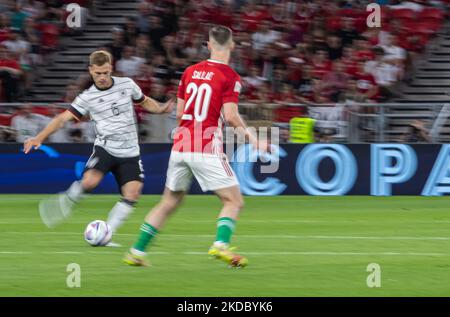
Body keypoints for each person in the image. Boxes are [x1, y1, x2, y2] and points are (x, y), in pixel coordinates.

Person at [123, 25, 270, 267]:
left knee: (169, 202)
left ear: (209, 45)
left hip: (181, 146)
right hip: (205, 146)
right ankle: (220, 245)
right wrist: (254, 140)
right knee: (233, 201)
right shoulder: (230, 77)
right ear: (232, 46)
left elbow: (180, 113)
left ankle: (136, 251)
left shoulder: (189, 72)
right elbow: (231, 116)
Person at [23, 50, 174, 243]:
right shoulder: (87, 97)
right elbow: (62, 118)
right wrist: (39, 137)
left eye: (105, 72)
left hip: (130, 152)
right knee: (89, 182)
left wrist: (160, 108)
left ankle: (106, 234)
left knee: (133, 194)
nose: (102, 77)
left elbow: (144, 101)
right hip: (106, 148)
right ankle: (68, 199)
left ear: (111, 68)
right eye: (97, 73)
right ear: (90, 70)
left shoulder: (127, 85)